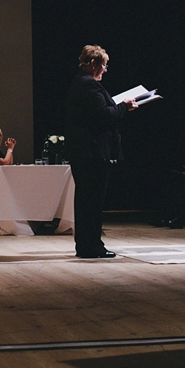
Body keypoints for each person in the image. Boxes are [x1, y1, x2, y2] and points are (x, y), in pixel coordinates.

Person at [64, 45, 137, 259]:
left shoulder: (82, 82)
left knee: (88, 200)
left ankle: (88, 245)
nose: (105, 70)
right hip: (91, 153)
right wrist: (124, 107)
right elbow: (103, 116)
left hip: (85, 152)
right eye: (103, 65)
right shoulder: (88, 85)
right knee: (91, 202)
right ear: (94, 64)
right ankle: (91, 246)